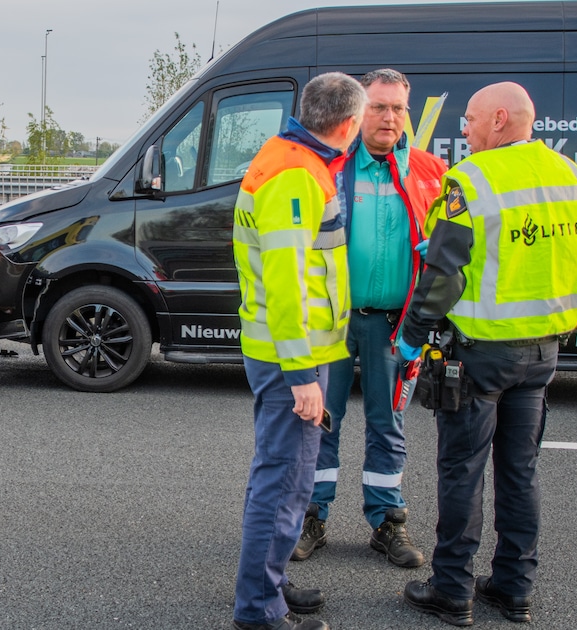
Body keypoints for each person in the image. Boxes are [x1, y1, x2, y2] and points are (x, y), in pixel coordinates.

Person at [394, 82, 577, 626]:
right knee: (520, 471)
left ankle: (452, 590)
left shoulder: (472, 181)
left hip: (480, 355)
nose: (464, 129)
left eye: (471, 119)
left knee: (462, 471)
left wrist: (411, 335)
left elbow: (443, 275)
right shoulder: (573, 177)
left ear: (501, 119)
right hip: (543, 354)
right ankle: (513, 586)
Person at [293, 69, 447, 568]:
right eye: (378, 107)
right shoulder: (331, 168)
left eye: (398, 108)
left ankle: (387, 522)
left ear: (408, 113)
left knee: (388, 424)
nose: (388, 117)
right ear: (359, 113)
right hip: (334, 322)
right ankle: (310, 516)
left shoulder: (430, 171)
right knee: (320, 421)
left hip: (393, 326)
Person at [231, 72, 366, 630]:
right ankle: (260, 610)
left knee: (283, 476)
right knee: (285, 481)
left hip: (287, 349)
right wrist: (302, 374)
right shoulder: (297, 175)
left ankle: (271, 585)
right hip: (293, 354)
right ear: (351, 124)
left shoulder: (289, 158)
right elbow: (287, 282)